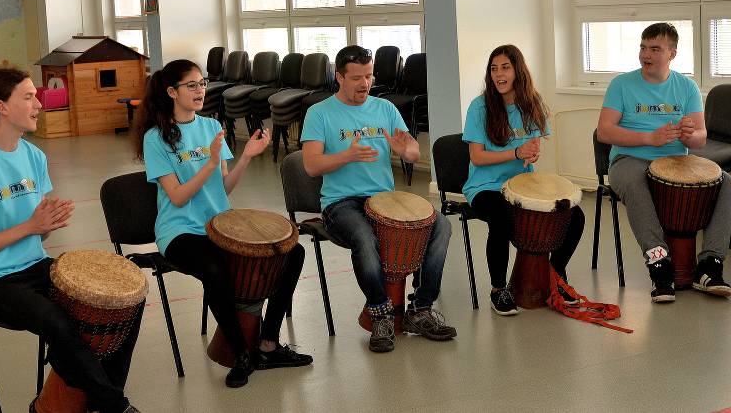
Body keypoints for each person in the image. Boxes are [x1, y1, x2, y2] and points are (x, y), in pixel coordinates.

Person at [0, 68, 141, 413]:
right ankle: (113, 405)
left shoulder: (34, 156)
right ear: (1, 106)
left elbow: (37, 230)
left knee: (121, 305)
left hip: (33, 265)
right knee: (56, 321)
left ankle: (93, 401)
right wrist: (31, 226)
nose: (39, 104)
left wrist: (47, 224)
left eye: (37, 96)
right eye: (28, 97)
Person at [132, 59, 312, 388]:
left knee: (293, 253)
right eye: (192, 85)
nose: (200, 90)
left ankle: (268, 343)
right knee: (214, 268)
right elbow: (178, 197)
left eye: (202, 84)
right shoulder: (156, 138)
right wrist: (210, 162)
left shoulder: (211, 127)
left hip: (220, 226)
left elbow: (224, 188)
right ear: (172, 92)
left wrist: (245, 157)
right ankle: (241, 353)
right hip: (180, 231)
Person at [301, 45, 456, 354]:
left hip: (384, 199)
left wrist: (406, 150)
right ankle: (381, 313)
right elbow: (311, 165)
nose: (364, 84)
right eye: (356, 77)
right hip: (340, 203)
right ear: (339, 77)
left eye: (369, 76)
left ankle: (421, 309)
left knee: (440, 225)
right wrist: (346, 156)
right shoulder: (319, 113)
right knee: (364, 236)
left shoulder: (384, 109)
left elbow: (413, 151)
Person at [597, 22, 731, 302]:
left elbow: (700, 139)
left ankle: (709, 264)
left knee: (727, 182)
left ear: (672, 53)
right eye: (643, 47)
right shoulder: (621, 84)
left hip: (676, 162)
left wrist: (690, 135)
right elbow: (605, 131)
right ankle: (659, 265)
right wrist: (649, 138)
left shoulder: (686, 87)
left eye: (655, 49)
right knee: (636, 182)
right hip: (628, 159)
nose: (646, 54)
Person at [462, 44, 585, 316]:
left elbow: (534, 146)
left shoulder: (533, 103)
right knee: (501, 217)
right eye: (493, 69)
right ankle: (498, 289)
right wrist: (516, 152)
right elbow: (477, 158)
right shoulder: (479, 107)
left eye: (505, 67)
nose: (498, 74)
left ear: (518, 70)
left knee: (575, 216)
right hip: (485, 187)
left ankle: (555, 274)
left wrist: (531, 152)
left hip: (522, 186)